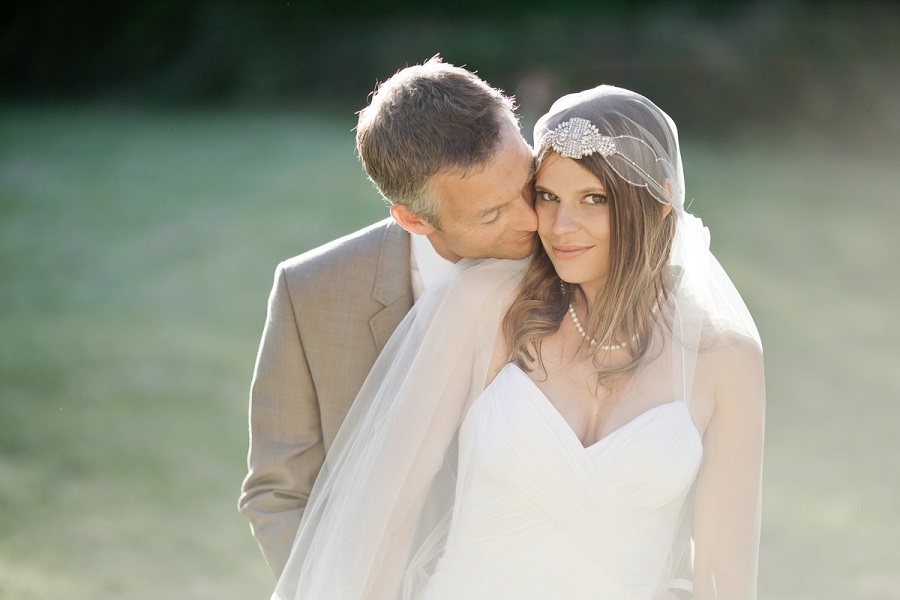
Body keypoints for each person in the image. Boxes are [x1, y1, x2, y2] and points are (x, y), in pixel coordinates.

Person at [273, 85, 766, 600]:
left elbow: (724, 578)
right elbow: (388, 512)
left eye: (592, 199)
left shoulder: (726, 361)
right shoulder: (489, 306)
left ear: (660, 205)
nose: (557, 226)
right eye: (548, 196)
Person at [238, 57, 538, 578]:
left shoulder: (580, 265)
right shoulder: (310, 292)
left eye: (529, 184)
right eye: (492, 214)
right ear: (413, 219)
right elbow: (278, 491)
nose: (533, 220)